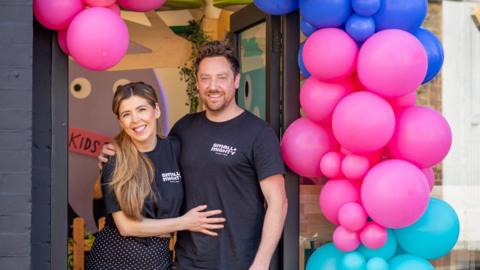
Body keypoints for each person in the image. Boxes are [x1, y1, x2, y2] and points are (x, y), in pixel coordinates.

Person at [99, 41, 288, 270]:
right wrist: (114, 152)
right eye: (205, 78)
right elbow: (149, 152)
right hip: (187, 262)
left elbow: (278, 202)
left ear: (236, 80)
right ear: (197, 83)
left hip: (240, 262)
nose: (213, 86)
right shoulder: (184, 129)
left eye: (221, 77)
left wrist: (261, 262)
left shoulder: (258, 133)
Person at [87, 82, 225, 270]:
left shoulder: (177, 148)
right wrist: (185, 222)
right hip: (112, 260)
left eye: (141, 109)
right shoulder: (116, 161)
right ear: (120, 122)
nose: (135, 119)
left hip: (157, 261)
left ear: (156, 110)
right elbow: (127, 227)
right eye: (126, 114)